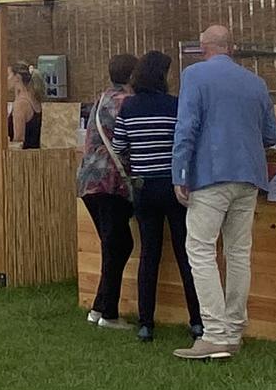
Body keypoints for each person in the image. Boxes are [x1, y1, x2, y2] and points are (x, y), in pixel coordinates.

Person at [170, 25, 276, 361]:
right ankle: (233, 330)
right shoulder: (255, 82)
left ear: (203, 47)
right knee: (238, 252)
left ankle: (214, 333)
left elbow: (186, 126)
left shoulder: (195, 75)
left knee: (200, 250)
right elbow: (271, 134)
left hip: (210, 174)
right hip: (249, 176)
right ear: (231, 48)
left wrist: (180, 173)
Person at [116, 49, 203, 344]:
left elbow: (119, 146)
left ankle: (146, 324)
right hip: (173, 184)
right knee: (185, 253)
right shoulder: (175, 106)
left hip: (143, 187)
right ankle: (196, 321)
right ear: (162, 77)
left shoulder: (128, 107)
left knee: (149, 255)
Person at [76, 54, 136, 330]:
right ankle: (107, 312)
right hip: (113, 182)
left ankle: (100, 306)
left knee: (113, 244)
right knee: (118, 244)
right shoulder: (127, 103)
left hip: (89, 180)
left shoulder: (101, 99)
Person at [7, 63, 42, 149]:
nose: (7, 79)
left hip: (23, 157)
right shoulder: (32, 98)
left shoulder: (21, 104)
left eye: (8, 75)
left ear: (17, 78)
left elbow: (19, 139)